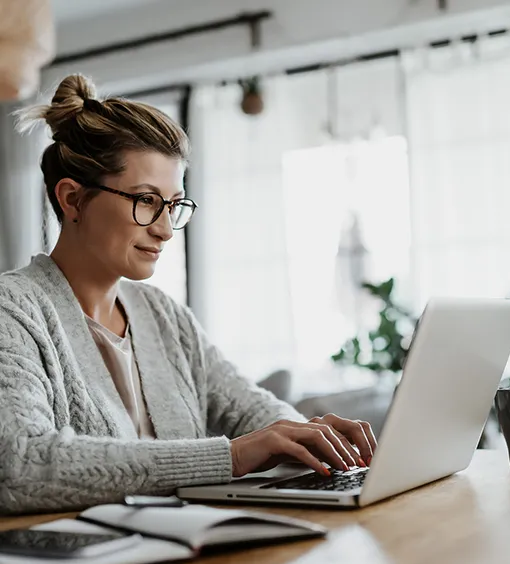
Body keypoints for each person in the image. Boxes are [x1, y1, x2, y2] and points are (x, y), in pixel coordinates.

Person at [0, 74, 376, 515]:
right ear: (72, 199)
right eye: (146, 200)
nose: (163, 228)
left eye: (174, 205)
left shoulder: (164, 316)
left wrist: (306, 435)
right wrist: (229, 458)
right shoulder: (14, 310)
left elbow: (246, 408)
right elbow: (20, 466)